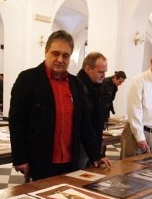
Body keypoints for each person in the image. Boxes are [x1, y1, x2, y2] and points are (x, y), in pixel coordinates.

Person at [9, 30, 111, 180]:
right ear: (46, 52)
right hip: (40, 160)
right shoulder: (28, 79)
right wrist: (20, 157)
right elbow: (17, 121)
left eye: (65, 55)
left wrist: (96, 154)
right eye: (55, 53)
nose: (60, 59)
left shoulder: (76, 84)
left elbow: (84, 124)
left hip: (70, 161)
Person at [120, 48, 152, 158]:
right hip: (137, 133)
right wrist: (140, 137)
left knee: (151, 171)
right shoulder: (138, 81)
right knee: (130, 172)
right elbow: (134, 111)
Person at [76, 51, 108, 168]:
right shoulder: (78, 86)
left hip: (93, 141)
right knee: (79, 176)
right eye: (100, 72)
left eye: (105, 72)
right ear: (88, 69)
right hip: (82, 144)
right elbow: (84, 122)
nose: (104, 76)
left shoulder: (95, 87)